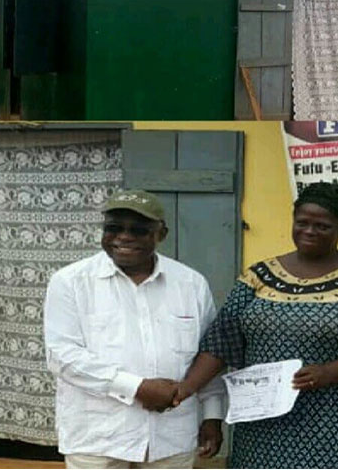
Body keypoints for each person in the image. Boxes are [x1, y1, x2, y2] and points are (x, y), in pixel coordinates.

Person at [174, 181, 338, 469]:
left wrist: (328, 372)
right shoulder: (258, 277)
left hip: (333, 421)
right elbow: (221, 341)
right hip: (260, 421)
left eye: (322, 226)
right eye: (302, 222)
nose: (309, 231)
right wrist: (185, 389)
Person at [43, 190, 226, 469]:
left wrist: (212, 416)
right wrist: (137, 387)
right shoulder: (70, 282)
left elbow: (209, 353)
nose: (124, 237)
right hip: (99, 437)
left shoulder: (190, 284)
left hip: (170, 436)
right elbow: (62, 356)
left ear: (161, 233)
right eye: (113, 228)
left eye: (139, 230)